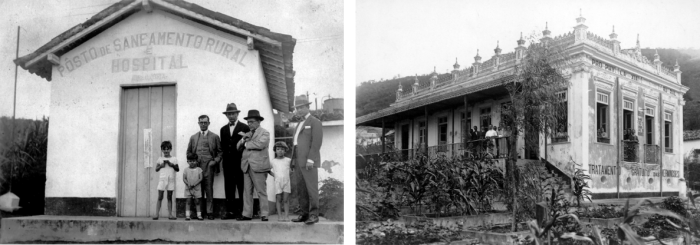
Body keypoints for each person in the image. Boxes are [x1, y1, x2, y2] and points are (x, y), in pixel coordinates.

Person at [290, 97, 324, 225]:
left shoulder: (315, 122)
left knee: (311, 188)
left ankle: (314, 215)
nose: (299, 110)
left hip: (309, 160)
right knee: (301, 189)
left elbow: (316, 143)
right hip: (298, 160)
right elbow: (295, 144)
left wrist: (311, 159)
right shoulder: (298, 124)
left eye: (301, 107)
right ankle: (304, 214)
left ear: (307, 107)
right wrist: (293, 162)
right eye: (297, 108)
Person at [236, 110, 271, 221]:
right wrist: (242, 139)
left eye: (251, 122)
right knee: (247, 191)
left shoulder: (265, 132)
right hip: (246, 165)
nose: (249, 124)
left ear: (258, 122)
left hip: (259, 166)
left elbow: (260, 144)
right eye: (248, 122)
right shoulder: (248, 133)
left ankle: (264, 214)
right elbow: (237, 147)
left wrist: (246, 143)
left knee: (261, 191)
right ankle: (247, 214)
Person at [186, 115, 222, 220]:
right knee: (197, 190)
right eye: (201, 122)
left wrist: (214, 162)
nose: (203, 124)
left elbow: (220, 153)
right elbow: (188, 152)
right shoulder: (193, 137)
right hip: (196, 168)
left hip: (208, 167)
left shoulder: (214, 137)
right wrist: (192, 164)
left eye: (205, 122)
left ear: (209, 123)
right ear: (198, 123)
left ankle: (210, 212)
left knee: (209, 189)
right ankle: (199, 213)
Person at [219, 103, 250, 220]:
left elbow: (247, 145)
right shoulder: (223, 129)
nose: (231, 116)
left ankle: (243, 212)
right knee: (229, 187)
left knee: (241, 187)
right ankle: (230, 211)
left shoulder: (245, 127)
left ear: (237, 114)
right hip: (227, 164)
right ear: (226, 116)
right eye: (229, 114)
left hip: (240, 163)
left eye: (233, 114)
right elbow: (223, 147)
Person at [154, 141, 179, 220]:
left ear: (171, 149)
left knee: (169, 197)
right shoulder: (160, 159)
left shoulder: (174, 159)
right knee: (160, 197)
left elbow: (177, 169)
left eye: (167, 149)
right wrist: (161, 166)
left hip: (170, 180)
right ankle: (156, 214)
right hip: (162, 180)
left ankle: (170, 215)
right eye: (164, 149)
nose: (166, 151)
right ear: (161, 150)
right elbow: (156, 169)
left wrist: (172, 165)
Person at [269, 141, 292, 222]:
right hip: (278, 182)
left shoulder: (288, 160)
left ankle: (286, 216)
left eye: (282, 149)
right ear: (275, 150)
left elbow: (292, 169)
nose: (280, 151)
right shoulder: (273, 161)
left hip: (286, 181)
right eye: (278, 149)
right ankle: (279, 216)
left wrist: (289, 174)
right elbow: (268, 170)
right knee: (278, 199)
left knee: (285, 199)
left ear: (285, 150)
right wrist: (274, 175)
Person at [183, 153, 203, 221]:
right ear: (187, 161)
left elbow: (201, 178)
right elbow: (184, 178)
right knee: (188, 201)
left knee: (197, 201)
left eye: (194, 161)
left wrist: (194, 184)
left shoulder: (199, 169)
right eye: (190, 161)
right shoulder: (186, 170)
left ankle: (199, 215)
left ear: (197, 161)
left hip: (196, 188)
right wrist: (188, 184)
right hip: (188, 188)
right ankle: (187, 215)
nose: (192, 162)